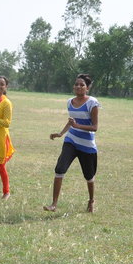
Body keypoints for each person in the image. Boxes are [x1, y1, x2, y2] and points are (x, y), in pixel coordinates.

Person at [45, 73, 99, 213]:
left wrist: (78, 126)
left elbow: (95, 127)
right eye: (76, 84)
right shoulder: (70, 102)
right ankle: (54, 204)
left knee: (89, 177)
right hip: (71, 141)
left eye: (82, 85)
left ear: (87, 88)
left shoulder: (92, 103)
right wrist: (61, 133)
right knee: (59, 169)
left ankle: (91, 200)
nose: (78, 87)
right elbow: (71, 122)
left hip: (87, 146)